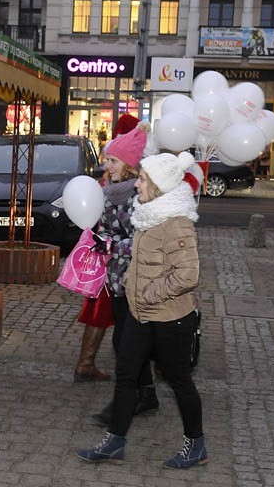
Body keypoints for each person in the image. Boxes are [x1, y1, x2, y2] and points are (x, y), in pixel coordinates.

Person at [74, 151, 207, 469]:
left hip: (171, 319)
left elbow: (188, 275)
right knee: (126, 376)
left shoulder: (176, 223)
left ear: (159, 185)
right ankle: (114, 442)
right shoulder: (147, 214)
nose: (138, 184)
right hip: (139, 314)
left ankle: (196, 445)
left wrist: (149, 293)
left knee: (179, 381)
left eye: (144, 179)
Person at [84, 126, 160, 421]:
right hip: (114, 281)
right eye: (107, 159)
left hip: (135, 281)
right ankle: (147, 394)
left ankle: (127, 403)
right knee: (124, 342)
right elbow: (104, 230)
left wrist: (109, 245)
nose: (106, 165)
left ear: (128, 165)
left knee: (125, 344)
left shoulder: (137, 196)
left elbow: (143, 240)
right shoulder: (110, 194)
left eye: (113, 161)